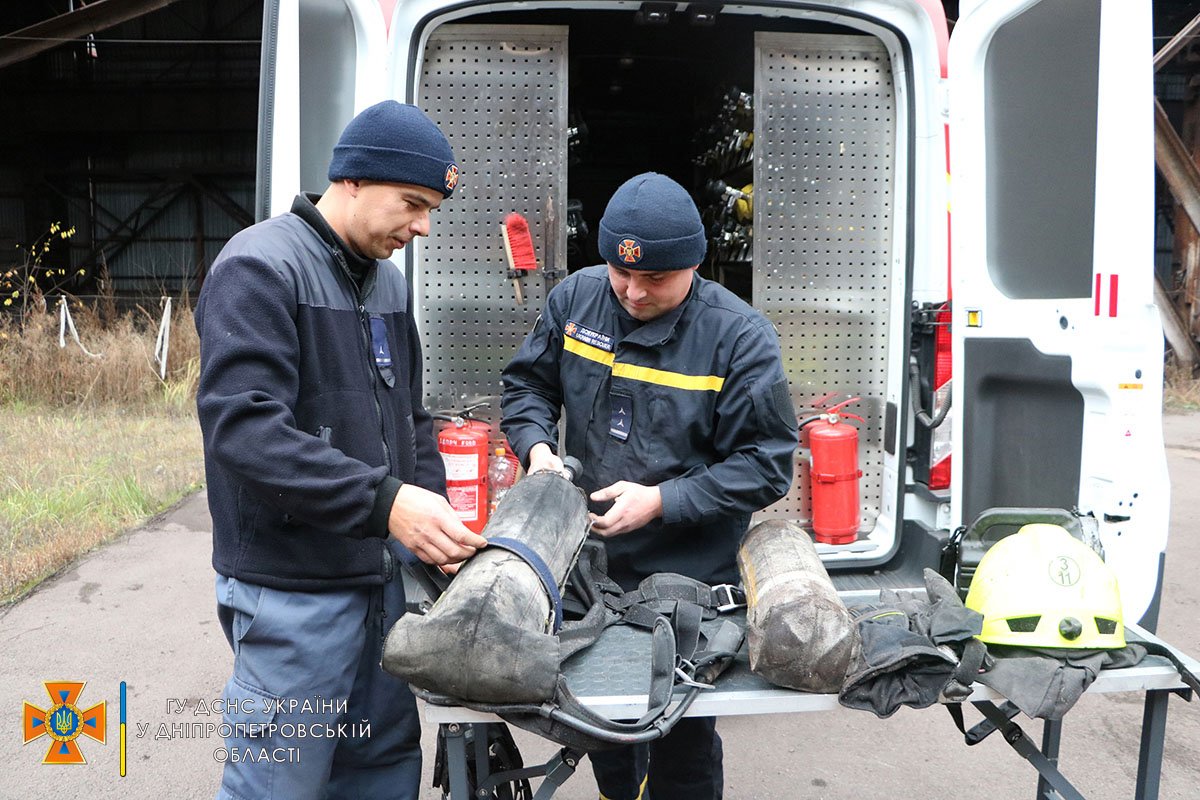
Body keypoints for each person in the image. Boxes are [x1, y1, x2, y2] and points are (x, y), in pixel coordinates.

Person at [194, 100, 487, 800]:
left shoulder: (388, 283)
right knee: (279, 783)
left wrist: (435, 527)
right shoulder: (260, 267)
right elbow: (244, 430)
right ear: (352, 179)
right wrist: (385, 503)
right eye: (412, 204)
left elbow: (411, 418)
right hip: (291, 590)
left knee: (381, 770)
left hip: (381, 587)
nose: (422, 227)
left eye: (431, 211)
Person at [500, 172, 798, 800]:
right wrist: (537, 449)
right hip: (590, 572)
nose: (634, 292)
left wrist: (663, 501)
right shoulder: (576, 301)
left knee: (682, 738)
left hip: (689, 584)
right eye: (620, 272)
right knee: (604, 726)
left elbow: (766, 464)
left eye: (656, 278)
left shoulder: (739, 338)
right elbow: (527, 386)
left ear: (694, 265)